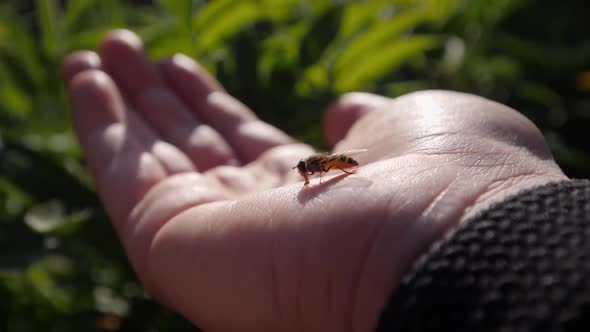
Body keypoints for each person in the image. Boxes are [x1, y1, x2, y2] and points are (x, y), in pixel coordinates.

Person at [62, 29, 590, 331]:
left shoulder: (325, 170)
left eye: (307, 170)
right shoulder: (311, 171)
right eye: (309, 171)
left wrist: (461, 211)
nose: (306, 173)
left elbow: (333, 173)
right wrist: (476, 214)